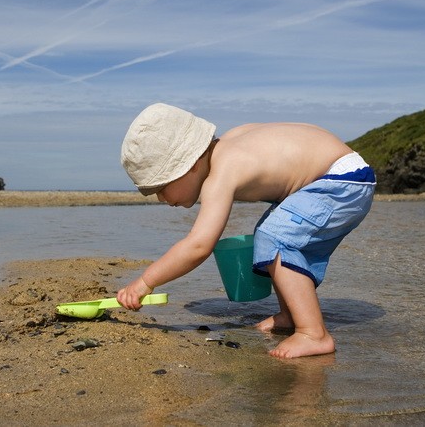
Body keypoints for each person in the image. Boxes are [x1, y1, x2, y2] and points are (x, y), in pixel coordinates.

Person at [116, 103, 375, 358]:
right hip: (341, 171)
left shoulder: (222, 172)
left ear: (190, 165)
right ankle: (291, 315)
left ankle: (313, 334)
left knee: (276, 237)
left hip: (341, 180)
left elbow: (198, 245)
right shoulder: (231, 141)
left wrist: (145, 281)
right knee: (269, 233)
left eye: (160, 188)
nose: (161, 199)